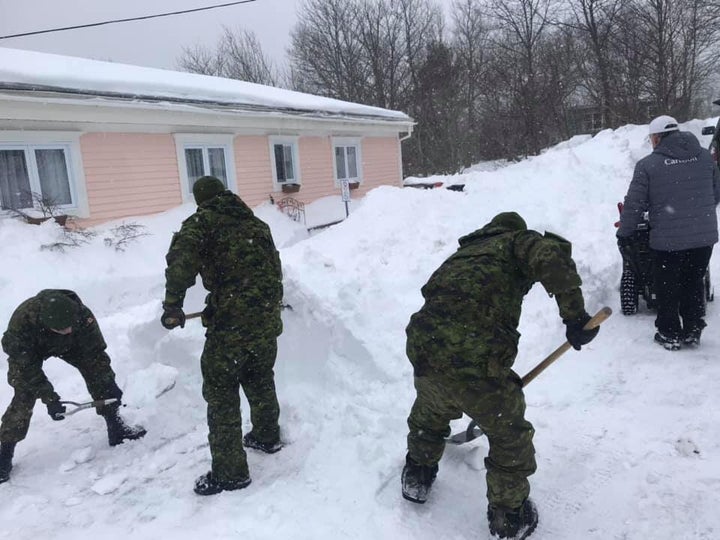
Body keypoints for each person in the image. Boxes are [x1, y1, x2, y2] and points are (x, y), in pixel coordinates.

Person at [400, 212, 599, 540]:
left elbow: (434, 293)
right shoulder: (517, 241)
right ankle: (509, 516)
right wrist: (575, 317)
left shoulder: (464, 252)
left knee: (431, 407)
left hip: (425, 343)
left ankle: (417, 476)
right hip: (475, 353)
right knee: (509, 435)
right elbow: (551, 256)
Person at [160, 175, 284, 496]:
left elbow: (180, 266)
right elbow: (270, 270)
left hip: (231, 324)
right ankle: (267, 435)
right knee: (259, 375)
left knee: (221, 392)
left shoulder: (201, 223)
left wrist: (173, 306)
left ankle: (230, 473)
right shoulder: (257, 224)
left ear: (200, 200)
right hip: (266, 318)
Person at [0, 289, 146, 484]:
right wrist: (49, 397)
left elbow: (96, 352)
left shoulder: (82, 316)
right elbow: (27, 370)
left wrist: (106, 385)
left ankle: (116, 425)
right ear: (47, 324)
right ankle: (5, 452)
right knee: (24, 392)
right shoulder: (22, 325)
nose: (68, 330)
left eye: (70, 326)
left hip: (72, 345)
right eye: (62, 329)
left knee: (99, 371)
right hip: (33, 349)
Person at [617, 115, 720, 350]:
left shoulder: (648, 165)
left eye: (652, 138)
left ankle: (670, 333)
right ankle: (693, 330)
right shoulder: (705, 158)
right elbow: (716, 193)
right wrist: (695, 213)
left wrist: (624, 234)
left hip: (668, 241)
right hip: (703, 239)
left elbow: (634, 205)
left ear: (657, 138)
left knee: (666, 285)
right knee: (693, 281)